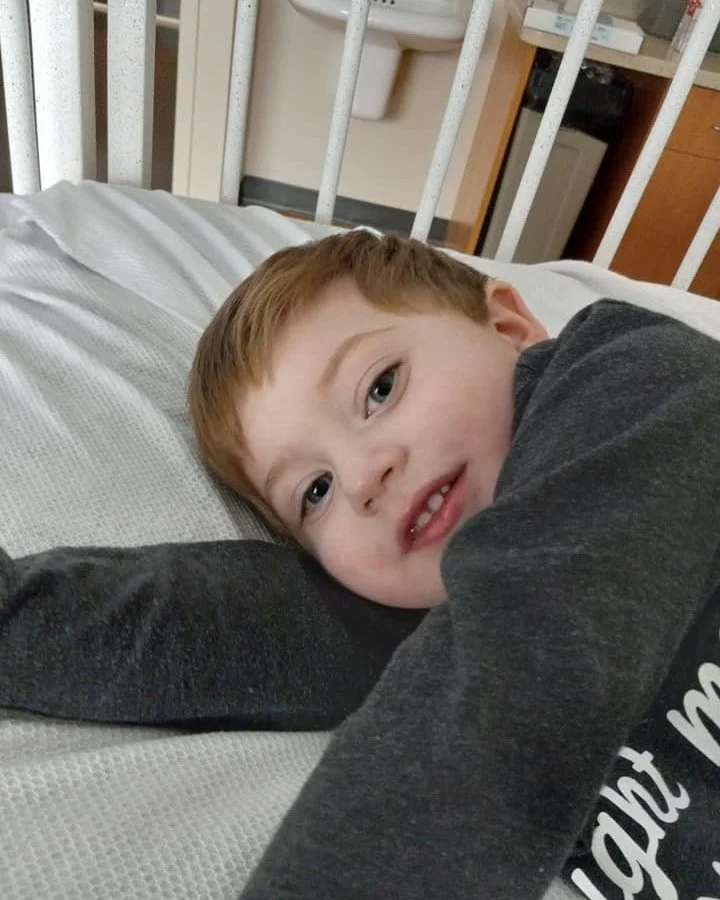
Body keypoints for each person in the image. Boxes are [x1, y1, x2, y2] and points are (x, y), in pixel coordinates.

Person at [1, 230, 719, 900]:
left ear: (507, 326)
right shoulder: (427, 623)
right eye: (314, 494)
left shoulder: (643, 379)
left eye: (380, 389)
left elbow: (523, 644)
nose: (362, 478)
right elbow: (243, 624)